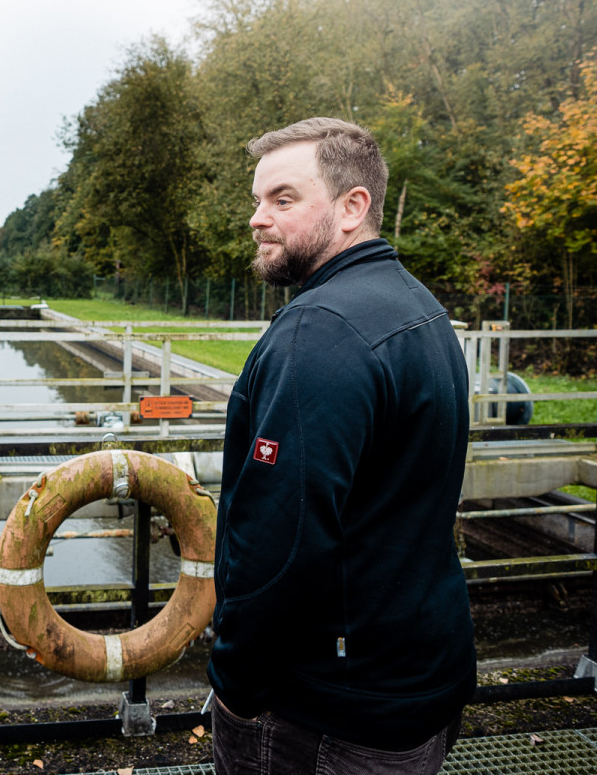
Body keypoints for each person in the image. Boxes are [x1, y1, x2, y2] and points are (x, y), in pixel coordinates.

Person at [207, 118, 476, 774]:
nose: (256, 218)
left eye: (283, 199)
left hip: (326, 716)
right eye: (257, 199)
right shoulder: (419, 310)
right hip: (415, 691)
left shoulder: (319, 330)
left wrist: (235, 685)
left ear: (353, 207)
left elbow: (282, 544)